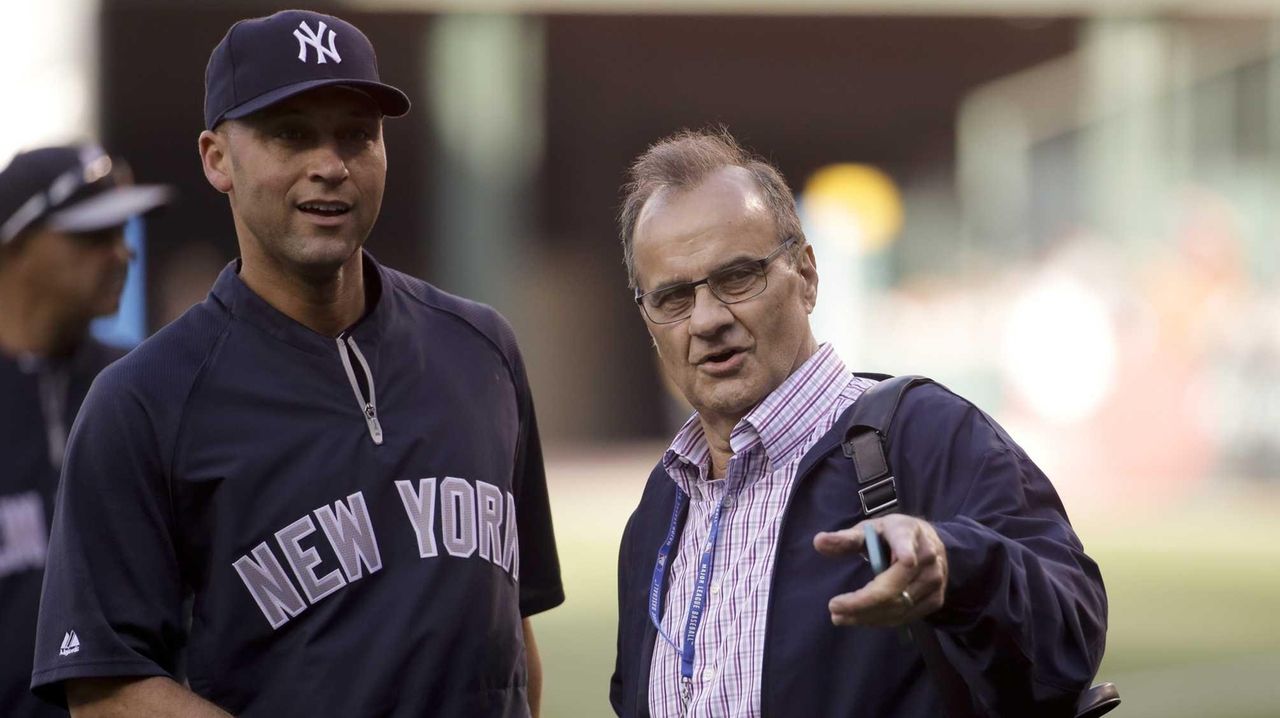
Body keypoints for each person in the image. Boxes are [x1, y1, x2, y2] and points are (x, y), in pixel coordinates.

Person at [30, 10, 562, 717]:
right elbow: (105, 689)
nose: (331, 164)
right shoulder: (143, 401)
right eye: (291, 134)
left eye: (356, 134)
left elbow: (510, 636)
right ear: (217, 158)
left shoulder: (481, 350)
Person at [609, 129, 1107, 717]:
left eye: (737, 277)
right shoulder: (660, 508)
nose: (708, 318)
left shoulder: (926, 435)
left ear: (807, 275)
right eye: (673, 298)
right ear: (649, 319)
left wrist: (958, 567)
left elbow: (1071, 641)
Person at [0, 143, 172, 718]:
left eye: (121, 232)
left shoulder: (143, 387)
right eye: (93, 236)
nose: (123, 253)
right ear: (15, 245)